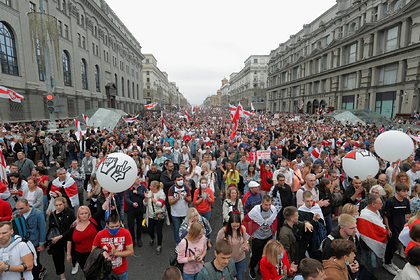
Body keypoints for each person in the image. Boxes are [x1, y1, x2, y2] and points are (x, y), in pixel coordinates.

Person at [243, 195, 277, 279]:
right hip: (257, 237)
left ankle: (260, 268)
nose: (268, 207)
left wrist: (274, 232)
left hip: (268, 236)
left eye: (269, 204)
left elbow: (275, 221)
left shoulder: (273, 210)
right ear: (261, 203)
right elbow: (247, 220)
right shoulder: (255, 211)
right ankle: (251, 267)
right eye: (266, 205)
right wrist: (249, 234)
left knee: (266, 255)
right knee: (256, 255)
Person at [92, 212, 134, 280]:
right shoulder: (100, 235)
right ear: (107, 224)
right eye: (112, 227)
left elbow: (130, 252)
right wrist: (102, 254)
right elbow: (93, 251)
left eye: (117, 226)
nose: (114, 229)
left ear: (120, 223)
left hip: (121, 271)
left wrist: (116, 253)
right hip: (105, 271)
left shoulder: (126, 233)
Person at [13, 199, 47, 280]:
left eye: (21, 208)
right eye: (17, 209)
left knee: (34, 262)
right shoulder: (16, 214)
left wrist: (42, 244)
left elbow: (42, 230)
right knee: (25, 261)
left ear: (28, 205)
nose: (19, 211)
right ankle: (41, 269)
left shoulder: (38, 214)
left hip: (34, 242)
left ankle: (36, 276)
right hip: (21, 243)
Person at [356, 194, 387, 280]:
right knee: (369, 266)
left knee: (365, 264)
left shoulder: (376, 211)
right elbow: (363, 233)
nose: (382, 205)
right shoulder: (365, 216)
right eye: (380, 203)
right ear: (373, 204)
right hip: (367, 245)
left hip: (371, 243)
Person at [383, 183, 411, 275]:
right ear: (397, 191)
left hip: (402, 228)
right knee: (392, 246)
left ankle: (389, 261)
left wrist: (407, 225)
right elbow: (385, 216)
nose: (406, 193)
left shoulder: (406, 201)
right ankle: (387, 263)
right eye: (403, 191)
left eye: (407, 191)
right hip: (392, 228)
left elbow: (406, 215)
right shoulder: (390, 201)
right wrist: (388, 228)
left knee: (396, 246)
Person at [66, 206, 102, 276]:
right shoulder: (73, 226)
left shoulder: (93, 220)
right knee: (87, 272)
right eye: (81, 214)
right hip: (80, 255)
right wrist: (68, 254)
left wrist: (109, 197)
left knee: (97, 271)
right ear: (78, 215)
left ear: (89, 213)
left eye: (86, 213)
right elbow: (69, 240)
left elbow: (103, 209)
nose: (84, 215)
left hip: (94, 252)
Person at [48, 197, 76, 280]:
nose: (58, 207)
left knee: (73, 254)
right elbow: (51, 228)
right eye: (56, 205)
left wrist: (61, 236)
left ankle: (75, 264)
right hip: (57, 240)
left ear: (64, 203)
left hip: (68, 238)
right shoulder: (52, 215)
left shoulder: (70, 212)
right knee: (58, 260)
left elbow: (72, 227)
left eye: (60, 204)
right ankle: (62, 278)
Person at [216, 213, 248, 280]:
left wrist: (246, 247)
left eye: (237, 226)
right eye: (233, 226)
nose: (236, 228)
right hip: (227, 260)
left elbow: (245, 241)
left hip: (240, 259)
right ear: (229, 224)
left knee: (239, 278)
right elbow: (218, 245)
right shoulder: (224, 231)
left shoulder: (243, 229)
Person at [297, 191, 324, 264]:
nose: (310, 203)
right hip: (306, 240)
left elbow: (322, 223)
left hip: (316, 238)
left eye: (311, 200)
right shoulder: (300, 211)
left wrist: (319, 220)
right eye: (307, 201)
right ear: (303, 201)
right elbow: (305, 229)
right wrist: (314, 220)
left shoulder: (316, 207)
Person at [144, 181, 169, 255]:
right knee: (149, 230)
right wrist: (146, 198)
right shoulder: (149, 193)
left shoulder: (162, 194)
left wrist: (152, 198)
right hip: (150, 215)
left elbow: (159, 204)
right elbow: (145, 203)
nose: (149, 187)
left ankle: (159, 245)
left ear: (155, 187)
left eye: (151, 186)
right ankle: (152, 237)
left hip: (159, 215)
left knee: (159, 231)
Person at [168, 174, 192, 244]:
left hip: (185, 212)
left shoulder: (186, 187)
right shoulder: (171, 189)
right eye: (179, 180)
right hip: (175, 213)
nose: (180, 181)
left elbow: (190, 200)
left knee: (186, 228)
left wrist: (185, 198)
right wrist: (177, 198)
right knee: (176, 228)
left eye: (181, 179)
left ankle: (186, 241)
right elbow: (170, 202)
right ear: (175, 181)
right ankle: (178, 243)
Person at [125, 175, 147, 247]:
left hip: (140, 209)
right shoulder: (128, 188)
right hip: (131, 210)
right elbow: (127, 199)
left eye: (138, 178)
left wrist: (137, 192)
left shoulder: (143, 187)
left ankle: (139, 239)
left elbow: (146, 195)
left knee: (139, 225)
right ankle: (132, 240)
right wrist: (132, 203)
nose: (138, 180)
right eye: (136, 179)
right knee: (131, 226)